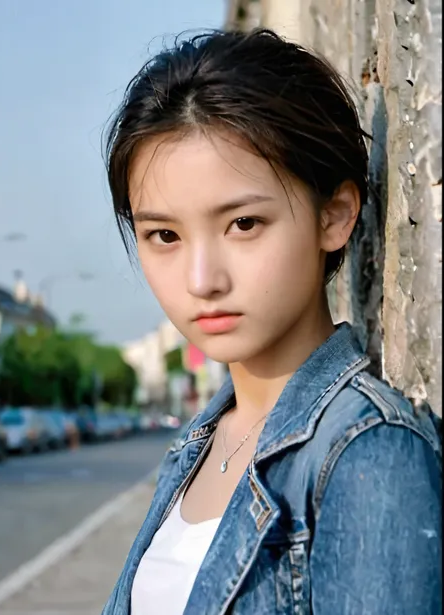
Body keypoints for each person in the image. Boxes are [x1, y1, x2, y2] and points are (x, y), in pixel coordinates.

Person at [101, 28, 442, 615]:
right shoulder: (200, 443)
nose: (202, 279)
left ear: (333, 215)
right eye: (165, 236)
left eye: (243, 225)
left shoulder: (369, 457)